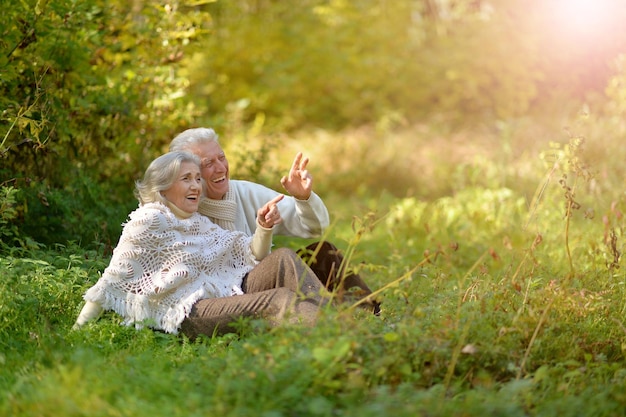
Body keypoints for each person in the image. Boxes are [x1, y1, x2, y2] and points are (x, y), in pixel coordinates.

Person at [73, 151, 330, 339]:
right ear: (163, 188)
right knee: (278, 300)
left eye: (197, 178)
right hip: (182, 314)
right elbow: (110, 282)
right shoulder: (149, 220)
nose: (196, 185)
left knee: (283, 257)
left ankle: (342, 324)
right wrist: (77, 331)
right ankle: (339, 338)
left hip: (216, 298)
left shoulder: (197, 222)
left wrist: (263, 227)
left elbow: (251, 253)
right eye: (186, 178)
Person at [169, 127, 380, 314]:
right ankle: (327, 323)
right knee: (282, 260)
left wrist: (303, 198)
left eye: (221, 157)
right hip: (225, 297)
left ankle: (369, 315)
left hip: (261, 281)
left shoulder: (243, 191)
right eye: (208, 164)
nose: (221, 168)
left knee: (325, 253)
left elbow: (315, 228)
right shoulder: (179, 208)